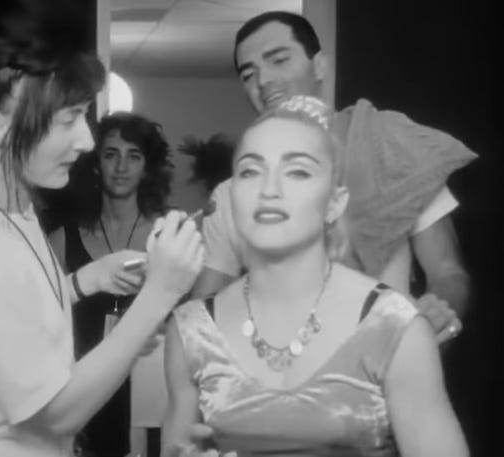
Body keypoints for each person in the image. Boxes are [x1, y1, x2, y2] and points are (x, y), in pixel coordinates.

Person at [0, 2, 205, 456]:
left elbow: (11, 315)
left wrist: (87, 280)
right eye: (68, 120)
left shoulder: (9, 204)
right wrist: (157, 296)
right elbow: (57, 414)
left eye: (84, 116)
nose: (86, 141)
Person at [163, 95, 467, 457]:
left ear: (335, 203)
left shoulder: (395, 327)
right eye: (250, 171)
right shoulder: (192, 331)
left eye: (298, 172)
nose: (269, 189)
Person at [192, 11, 477, 343]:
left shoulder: (392, 149)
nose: (264, 80)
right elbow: (205, 311)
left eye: (279, 60)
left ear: (320, 66)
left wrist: (437, 311)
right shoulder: (233, 194)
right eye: (248, 74)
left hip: (386, 368)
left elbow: (447, 271)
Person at [50, 112, 173, 457]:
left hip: (152, 396)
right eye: (110, 154)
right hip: (84, 397)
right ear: (94, 164)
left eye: (133, 156)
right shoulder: (62, 240)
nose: (121, 166)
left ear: (147, 167)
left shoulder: (170, 237)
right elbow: (40, 321)